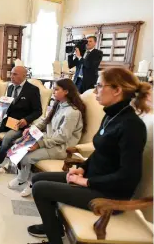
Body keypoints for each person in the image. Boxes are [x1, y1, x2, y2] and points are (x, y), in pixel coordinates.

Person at [27, 68, 151, 244]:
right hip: (96, 179)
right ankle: (53, 226)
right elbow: (101, 152)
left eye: (100, 86)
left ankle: (54, 238)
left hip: (109, 194)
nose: (94, 91)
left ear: (117, 90)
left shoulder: (132, 126)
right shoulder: (111, 115)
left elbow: (129, 176)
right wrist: (82, 169)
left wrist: (87, 182)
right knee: (39, 178)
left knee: (40, 189)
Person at [8, 78, 86, 197]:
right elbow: (45, 122)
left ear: (66, 91)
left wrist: (39, 144)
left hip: (60, 147)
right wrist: (31, 129)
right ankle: (22, 178)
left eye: (56, 89)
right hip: (49, 140)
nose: (53, 91)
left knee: (27, 157)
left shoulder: (72, 113)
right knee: (18, 145)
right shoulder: (59, 105)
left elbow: (62, 137)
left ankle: (28, 182)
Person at [0, 66, 42, 175]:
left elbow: (38, 111)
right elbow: (6, 105)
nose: (11, 76)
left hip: (20, 124)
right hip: (7, 121)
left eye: (15, 74)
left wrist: (26, 120)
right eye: (11, 73)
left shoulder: (32, 90)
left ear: (24, 75)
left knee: (7, 138)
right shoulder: (10, 88)